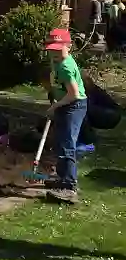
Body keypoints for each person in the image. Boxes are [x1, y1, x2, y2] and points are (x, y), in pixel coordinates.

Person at [41, 28, 87, 203]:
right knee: (60, 142)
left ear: (68, 45)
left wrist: (56, 106)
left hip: (74, 105)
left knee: (67, 144)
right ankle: (62, 178)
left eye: (58, 48)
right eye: (51, 48)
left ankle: (69, 187)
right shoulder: (56, 60)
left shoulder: (66, 66)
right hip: (65, 104)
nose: (54, 52)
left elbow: (74, 94)